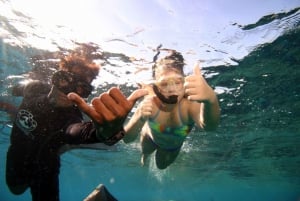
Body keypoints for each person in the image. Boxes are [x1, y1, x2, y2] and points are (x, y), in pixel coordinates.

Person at [5, 52, 148, 201]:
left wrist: (107, 132)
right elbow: (12, 92)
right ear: (56, 77)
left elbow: (80, 131)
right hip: (16, 156)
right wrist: (9, 108)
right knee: (16, 189)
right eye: (65, 80)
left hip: (45, 167)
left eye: (81, 89)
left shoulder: (70, 118)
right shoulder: (33, 88)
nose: (69, 93)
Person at [123, 50, 220, 169]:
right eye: (164, 84)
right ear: (156, 87)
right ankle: (145, 156)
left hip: (171, 147)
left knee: (161, 166)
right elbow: (127, 139)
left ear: (184, 81)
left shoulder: (189, 104)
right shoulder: (151, 101)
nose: (172, 89)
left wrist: (211, 100)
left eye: (178, 82)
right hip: (149, 137)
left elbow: (209, 127)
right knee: (146, 152)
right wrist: (139, 116)